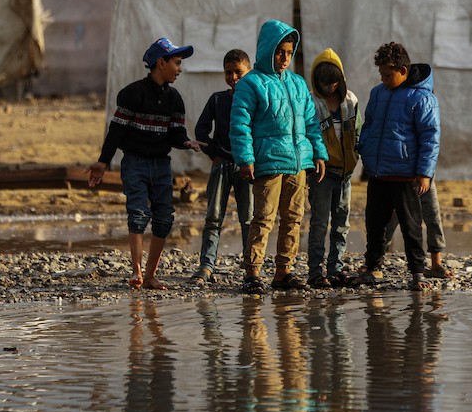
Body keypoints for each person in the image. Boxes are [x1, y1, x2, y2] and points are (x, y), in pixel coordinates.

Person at [89, 37, 203, 290]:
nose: (180, 69)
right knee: (138, 214)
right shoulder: (132, 94)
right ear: (160, 63)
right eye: (177, 63)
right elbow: (116, 132)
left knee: (164, 218)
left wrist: (186, 142)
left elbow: (175, 134)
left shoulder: (175, 99)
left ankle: (150, 274)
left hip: (161, 165)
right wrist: (102, 162)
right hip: (135, 163)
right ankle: (137, 272)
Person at [230, 19, 327, 294]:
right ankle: (253, 273)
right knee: (263, 218)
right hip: (269, 162)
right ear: (267, 50)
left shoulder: (297, 84)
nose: (284, 58)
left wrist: (318, 153)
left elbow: (311, 123)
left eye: (288, 52)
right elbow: (240, 124)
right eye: (279, 52)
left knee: (293, 217)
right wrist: (245, 158)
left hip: (297, 163)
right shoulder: (251, 84)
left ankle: (284, 271)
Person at [352, 42, 441, 291]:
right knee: (375, 224)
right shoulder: (378, 93)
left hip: (405, 175)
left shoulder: (423, 98)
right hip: (379, 172)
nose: (383, 79)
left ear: (403, 70)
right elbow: (368, 125)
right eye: (381, 74)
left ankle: (417, 273)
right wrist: (366, 152)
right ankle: (373, 269)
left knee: (411, 226)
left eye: (388, 74)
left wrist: (424, 174)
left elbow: (430, 138)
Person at [190, 48, 254, 286]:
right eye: (229, 72)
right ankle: (206, 266)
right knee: (214, 217)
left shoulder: (254, 99)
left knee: (248, 219)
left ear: (249, 71)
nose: (233, 77)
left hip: (247, 168)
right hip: (222, 165)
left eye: (239, 72)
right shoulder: (218, 99)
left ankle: (251, 267)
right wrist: (213, 154)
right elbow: (201, 130)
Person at [305, 48, 362, 289]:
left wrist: (356, 156)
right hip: (321, 173)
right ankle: (316, 271)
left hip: (345, 173)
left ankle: (336, 268)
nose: (330, 87)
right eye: (325, 83)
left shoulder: (350, 101)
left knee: (341, 223)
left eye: (334, 82)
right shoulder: (311, 102)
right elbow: (306, 134)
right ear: (317, 81)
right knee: (319, 222)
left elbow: (359, 132)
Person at [382, 181, 450, 280]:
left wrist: (425, 175)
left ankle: (436, 264)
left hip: (425, 176)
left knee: (433, 217)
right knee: (392, 217)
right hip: (402, 176)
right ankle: (375, 262)